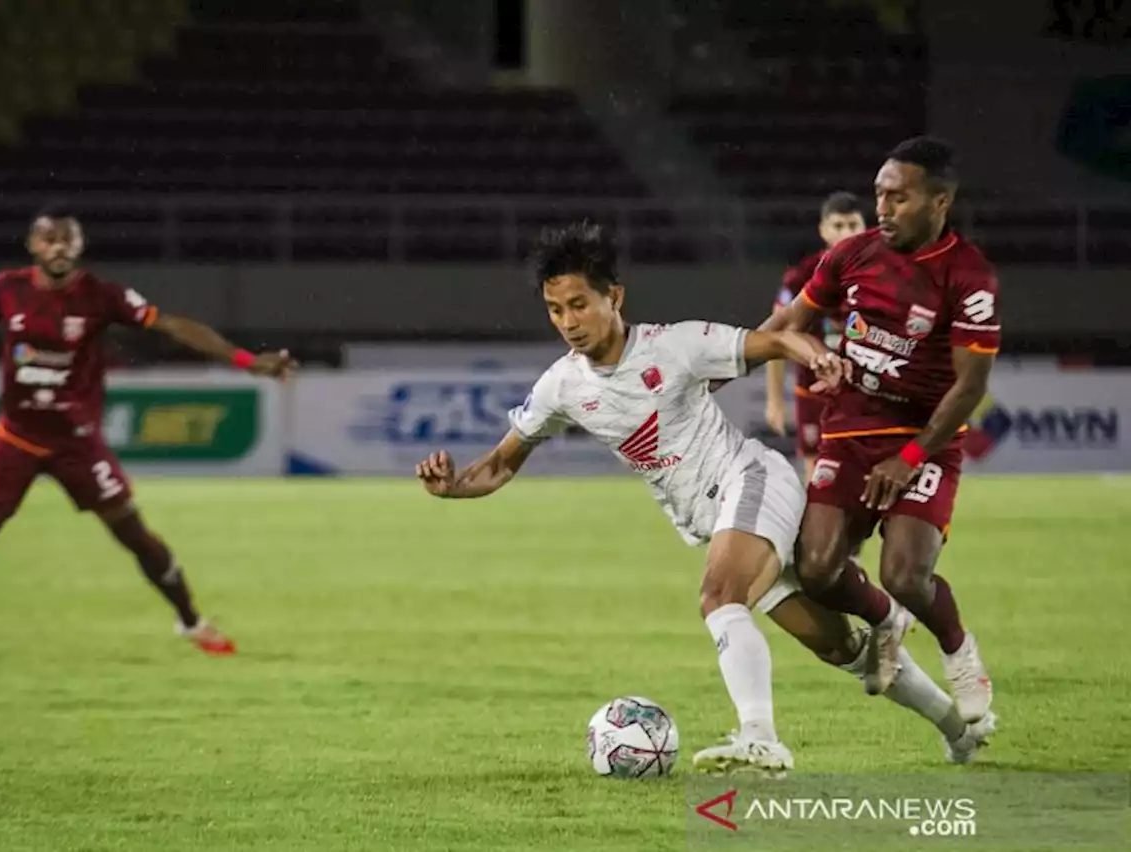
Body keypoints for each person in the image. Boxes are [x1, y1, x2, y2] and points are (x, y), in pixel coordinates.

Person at [416, 221, 994, 776]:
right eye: (555, 309)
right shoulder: (562, 387)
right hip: (714, 519)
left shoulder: (677, 346)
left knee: (719, 596)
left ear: (614, 296)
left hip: (752, 480)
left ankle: (760, 739)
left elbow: (772, 338)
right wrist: (453, 486)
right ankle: (959, 731)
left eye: (579, 304)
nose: (568, 321)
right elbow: (498, 464)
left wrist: (812, 355)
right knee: (844, 649)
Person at [0, 204, 295, 659]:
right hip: (16, 438)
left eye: (68, 238)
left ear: (79, 246)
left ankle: (193, 623)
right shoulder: (8, 288)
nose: (59, 246)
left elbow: (173, 325)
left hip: (75, 442)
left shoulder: (101, 295)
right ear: (32, 245)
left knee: (132, 532)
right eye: (49, 238)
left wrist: (246, 360)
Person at [759, 137, 997, 722]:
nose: (884, 208)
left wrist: (912, 456)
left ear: (940, 201)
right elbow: (792, 323)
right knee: (815, 568)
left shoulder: (969, 277)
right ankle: (885, 620)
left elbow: (968, 387)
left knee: (906, 575)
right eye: (879, 195)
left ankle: (959, 651)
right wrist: (812, 355)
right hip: (852, 424)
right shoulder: (850, 256)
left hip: (925, 435)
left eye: (899, 197)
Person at [765, 192, 867, 482]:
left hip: (866, 391)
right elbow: (776, 336)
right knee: (817, 474)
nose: (846, 233)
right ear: (823, 230)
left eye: (852, 225)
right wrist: (775, 400)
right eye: (838, 225)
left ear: (865, 228)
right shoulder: (802, 276)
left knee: (865, 473)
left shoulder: (883, 271)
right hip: (814, 391)